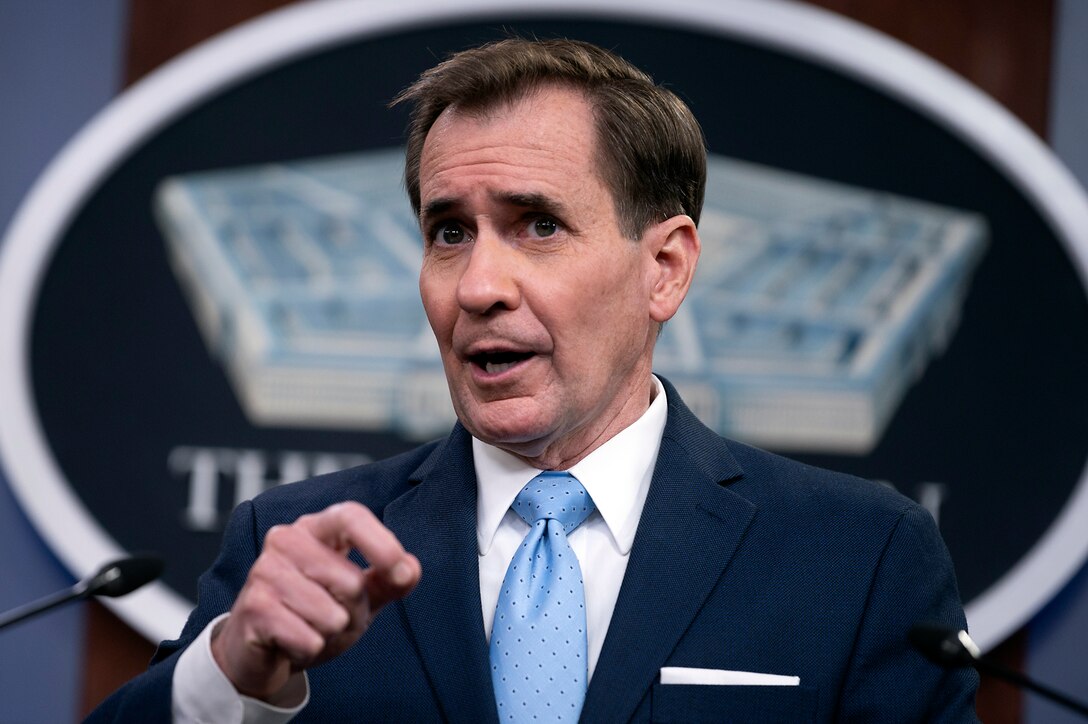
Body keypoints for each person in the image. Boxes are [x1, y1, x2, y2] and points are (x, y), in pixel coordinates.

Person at [88, 37, 978, 722]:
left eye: (538, 226)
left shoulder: (860, 559)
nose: (478, 287)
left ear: (665, 267)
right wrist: (232, 667)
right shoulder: (293, 548)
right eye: (449, 233)